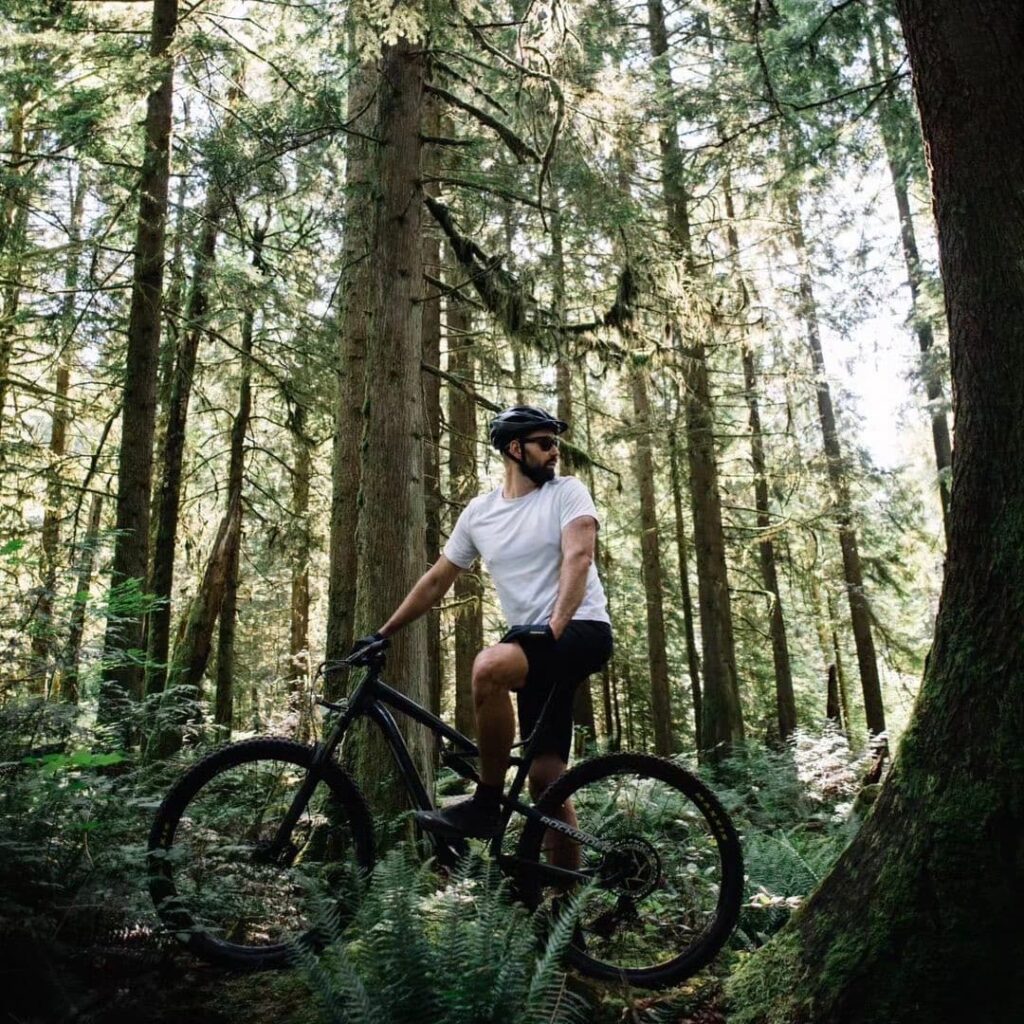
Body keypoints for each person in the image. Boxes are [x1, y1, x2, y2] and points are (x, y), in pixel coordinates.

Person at [350, 405, 613, 844]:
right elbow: (436, 581)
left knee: (489, 668)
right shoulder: (480, 513)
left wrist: (554, 627)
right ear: (515, 449)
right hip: (536, 645)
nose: (555, 452)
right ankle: (568, 886)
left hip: (580, 630)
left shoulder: (567, 492)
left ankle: (487, 804)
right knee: (546, 782)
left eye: (556, 444)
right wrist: (383, 633)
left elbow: (579, 556)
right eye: (545, 443)